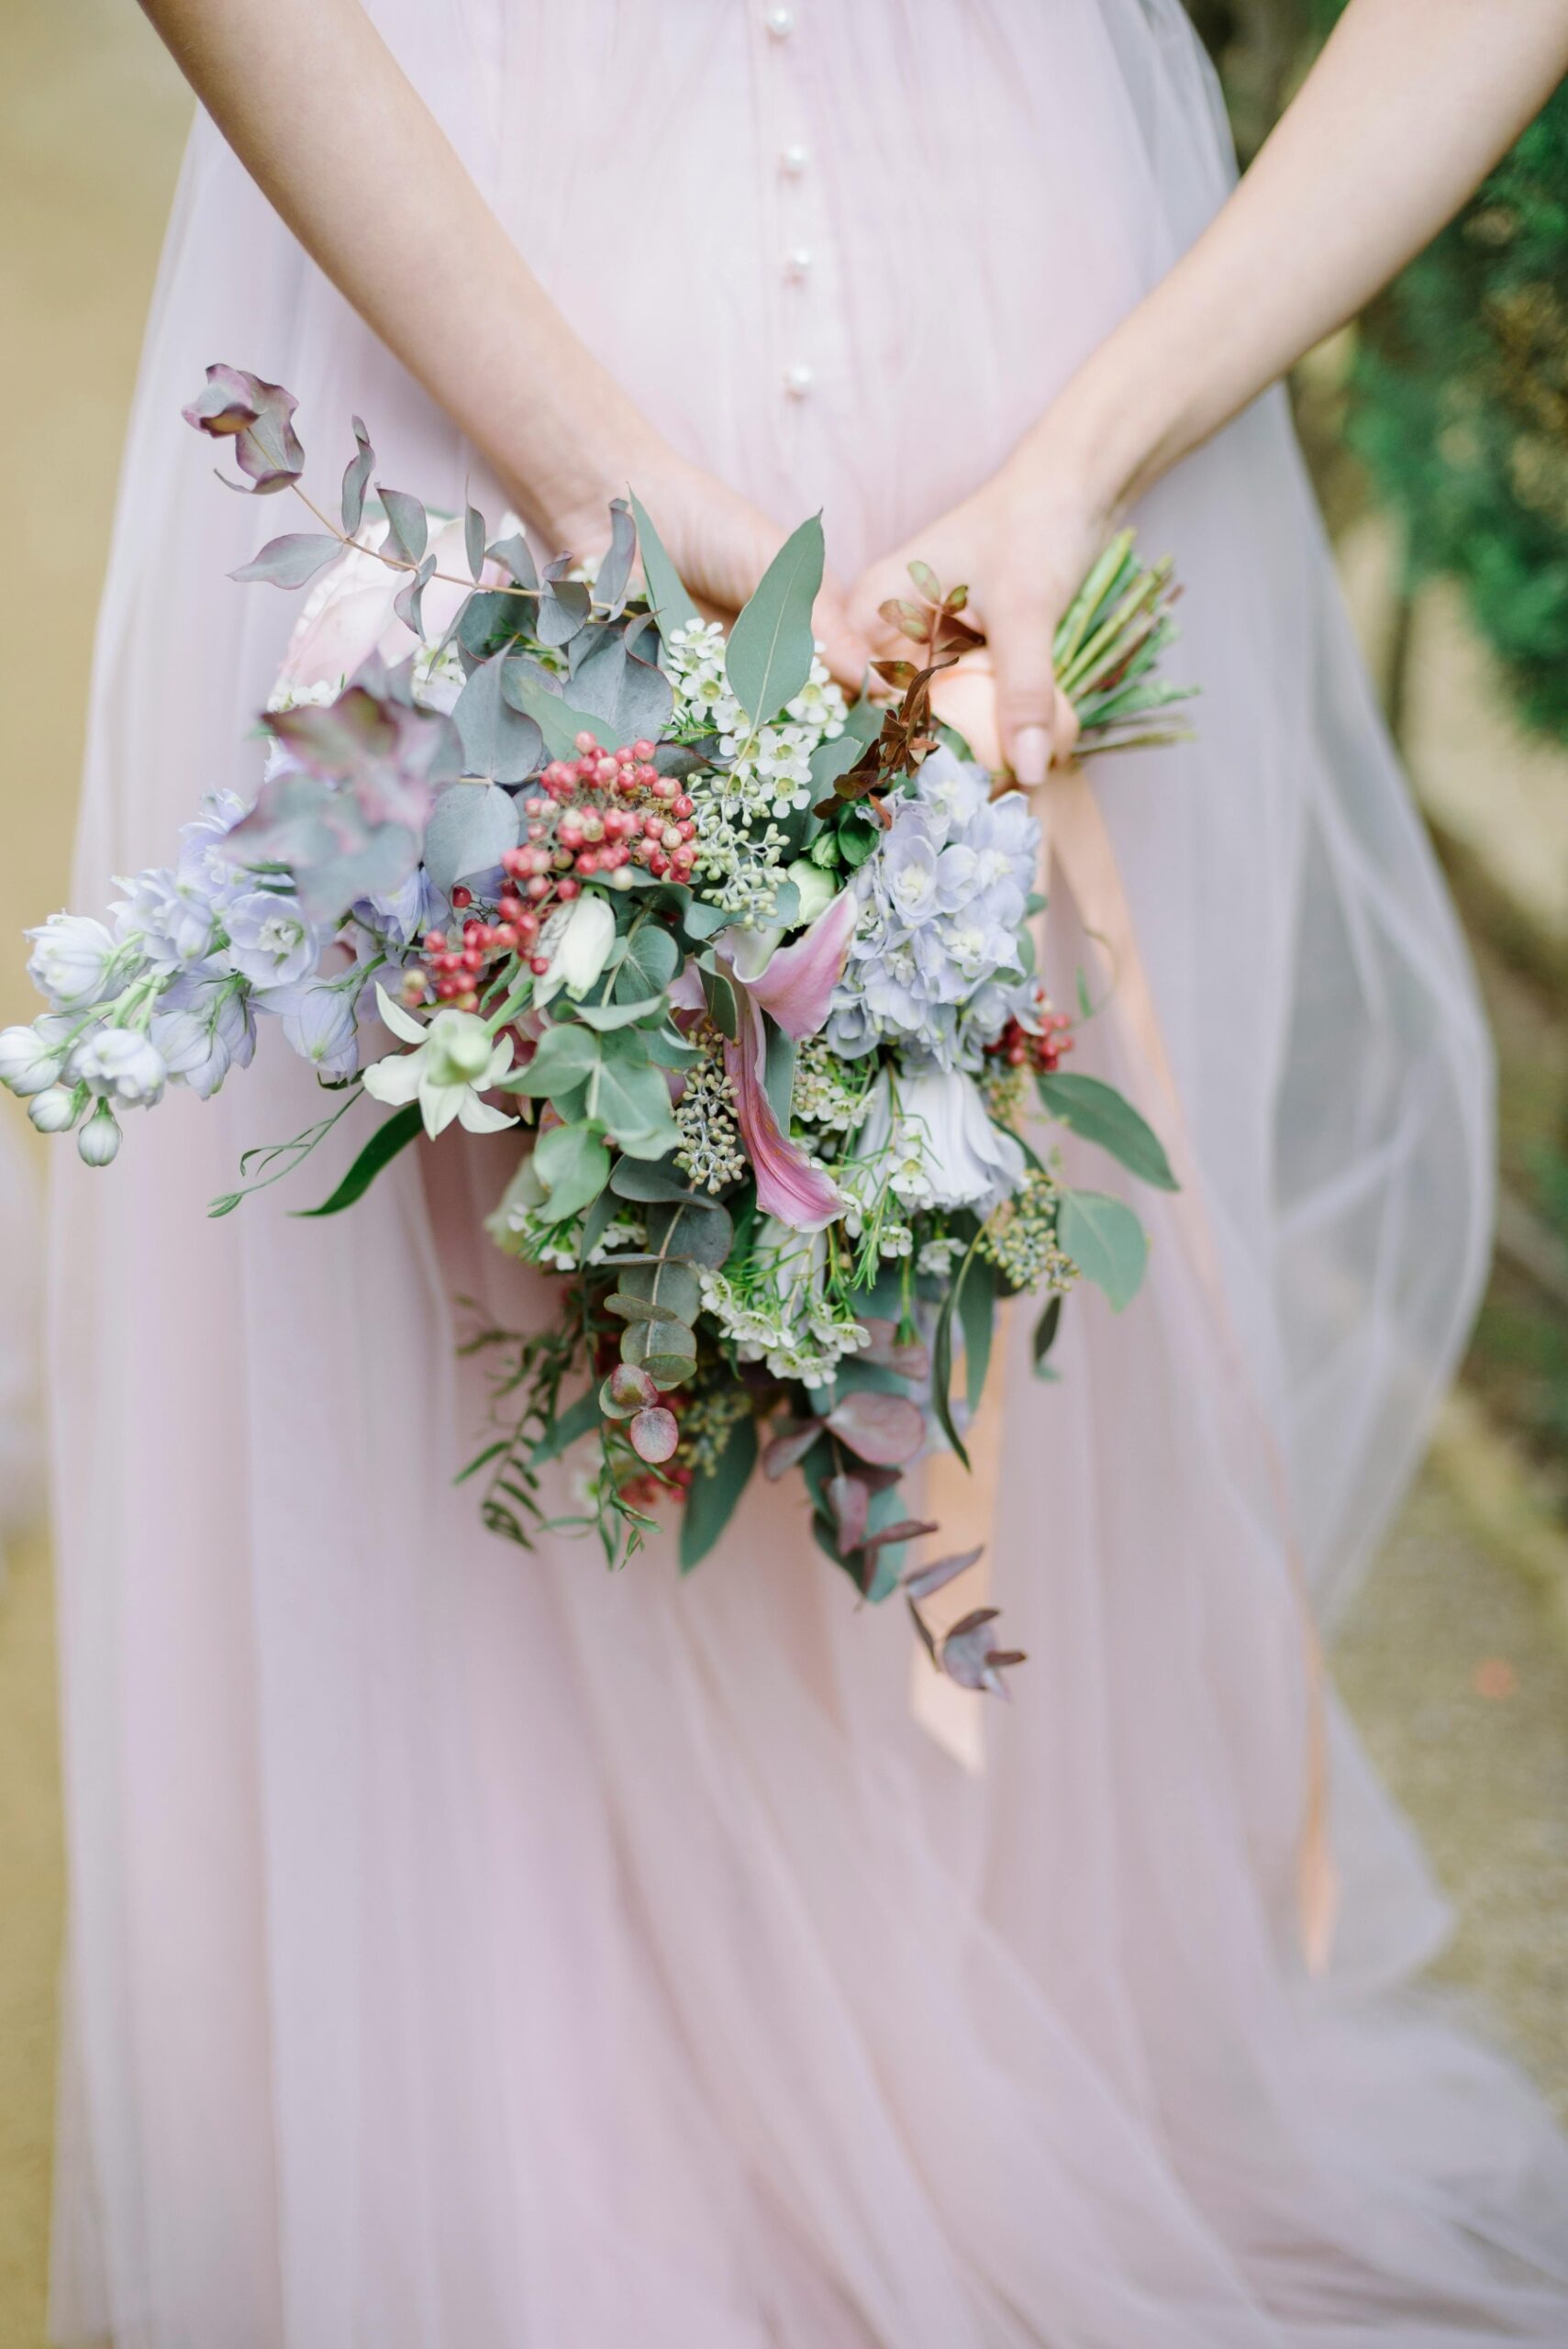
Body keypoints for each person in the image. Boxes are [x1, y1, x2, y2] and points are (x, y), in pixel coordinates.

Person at [49, 2, 1568, 2341]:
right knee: (495, 1408)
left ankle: (938, 2148)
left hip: (1042, 378)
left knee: (971, 1302)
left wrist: (1084, 460)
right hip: (455, 293)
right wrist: (584, 481)